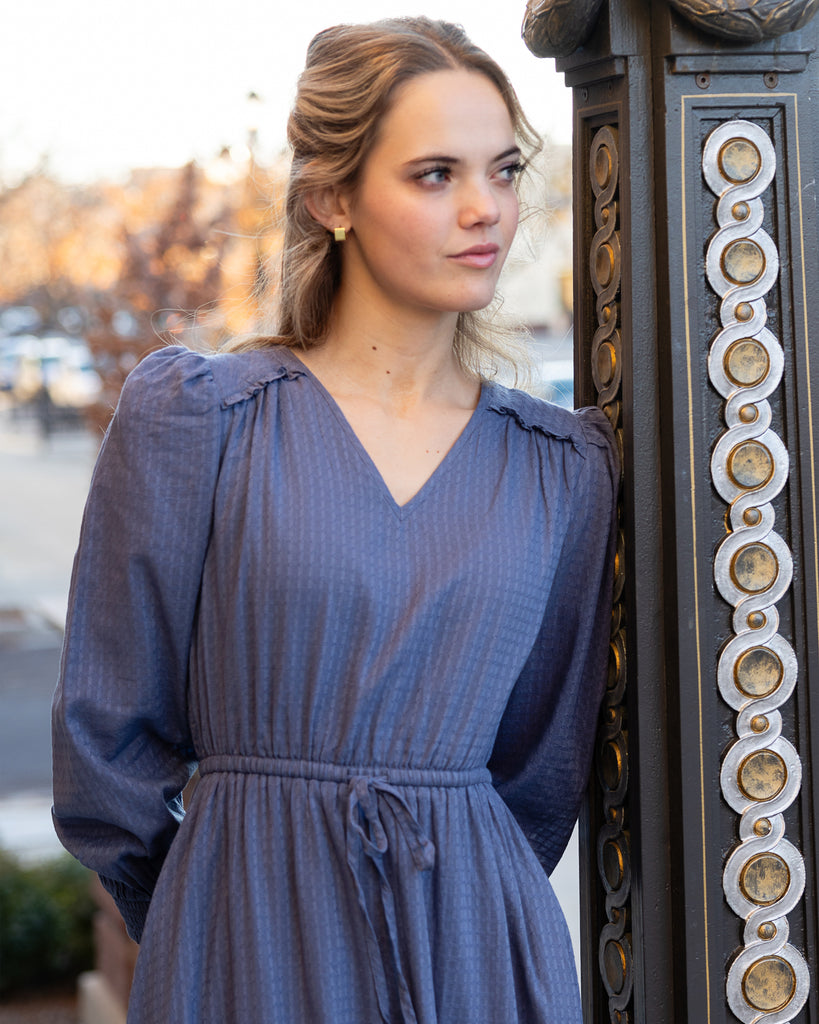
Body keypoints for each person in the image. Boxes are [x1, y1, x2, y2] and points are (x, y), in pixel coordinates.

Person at [52, 16, 618, 1024]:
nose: (487, 209)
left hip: (476, 954)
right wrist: (206, 911)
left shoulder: (559, 468)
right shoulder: (203, 420)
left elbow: (540, 773)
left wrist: (469, 901)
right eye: (435, 174)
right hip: (242, 936)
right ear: (332, 197)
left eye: (505, 169)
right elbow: (108, 742)